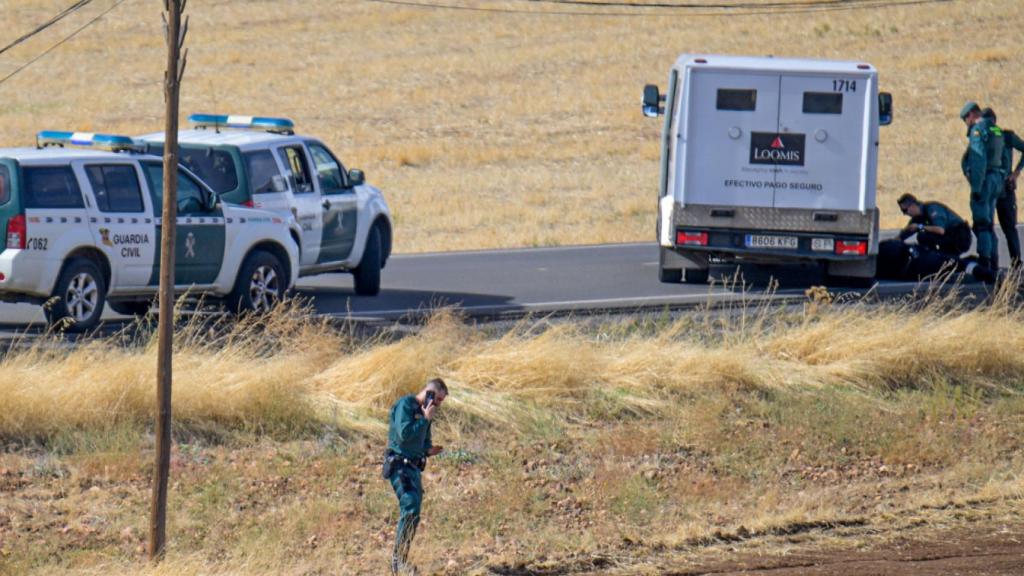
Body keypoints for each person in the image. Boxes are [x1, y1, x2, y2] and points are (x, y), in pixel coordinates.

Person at [383, 378, 447, 575]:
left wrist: (429, 450)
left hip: (413, 468)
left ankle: (402, 559)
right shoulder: (406, 405)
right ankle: (398, 561)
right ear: (429, 392)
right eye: (437, 399)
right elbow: (404, 434)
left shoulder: (426, 413)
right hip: (399, 465)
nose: (438, 404)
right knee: (409, 504)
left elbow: (424, 442)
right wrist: (424, 419)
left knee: (414, 512)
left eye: (441, 401)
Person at [960, 101, 1006, 270]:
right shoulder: (996, 130)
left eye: (966, 119)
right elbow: (1005, 158)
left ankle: (985, 260)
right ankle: (993, 259)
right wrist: (1002, 177)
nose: (966, 122)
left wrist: (976, 188)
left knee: (982, 224)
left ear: (972, 114)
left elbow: (978, 160)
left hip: (984, 181)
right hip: (996, 180)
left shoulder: (977, 131)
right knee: (989, 223)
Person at [982, 108, 1024, 268]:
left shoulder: (1007, 136)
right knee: (988, 228)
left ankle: (1016, 265)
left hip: (1005, 190)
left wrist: (1016, 173)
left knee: (1009, 228)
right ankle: (993, 265)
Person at [896, 193, 972, 257]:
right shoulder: (917, 218)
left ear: (912, 206)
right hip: (948, 237)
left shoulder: (932, 208)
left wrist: (919, 227)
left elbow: (940, 230)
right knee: (924, 237)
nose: (904, 214)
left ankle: (935, 257)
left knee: (923, 236)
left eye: (905, 210)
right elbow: (904, 234)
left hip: (959, 237)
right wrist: (892, 243)